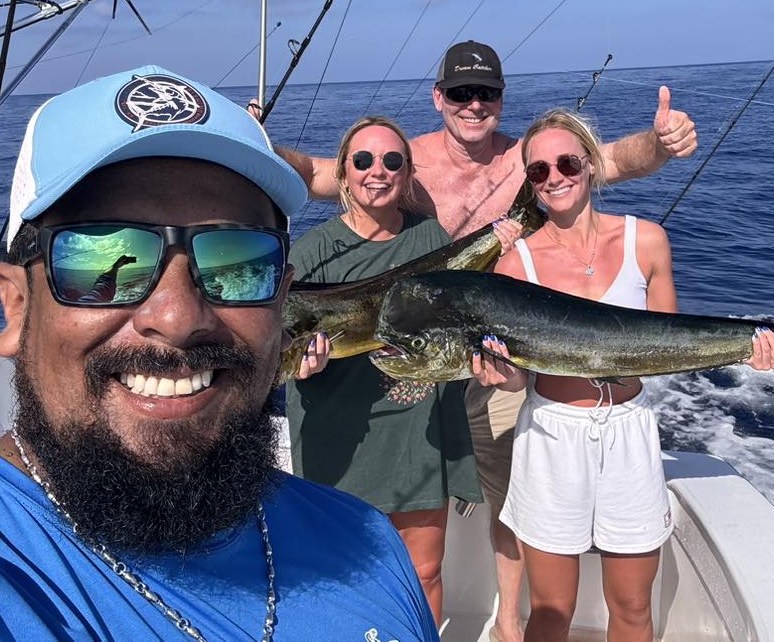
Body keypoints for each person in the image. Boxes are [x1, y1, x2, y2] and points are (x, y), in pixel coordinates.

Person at [0, 67, 437, 641]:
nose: (178, 316)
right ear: (14, 305)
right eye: (107, 258)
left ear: (282, 301)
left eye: (235, 261)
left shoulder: (370, 546)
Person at [273, 40, 698, 642]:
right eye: (460, 93)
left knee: (511, 503)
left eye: (487, 94)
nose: (474, 105)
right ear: (438, 98)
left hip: (496, 355)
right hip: (419, 358)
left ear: (501, 99)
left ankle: (508, 623)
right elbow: (317, 173)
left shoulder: (525, 161)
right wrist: (251, 143)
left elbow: (608, 160)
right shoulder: (406, 160)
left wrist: (659, 143)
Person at [471, 109, 774, 641]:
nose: (555, 178)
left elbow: (669, 345)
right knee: (549, 612)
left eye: (568, 162)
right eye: (538, 171)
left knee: (634, 608)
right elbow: (520, 378)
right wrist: (500, 377)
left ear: (592, 165)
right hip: (551, 435)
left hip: (628, 433)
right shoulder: (513, 265)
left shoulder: (648, 242)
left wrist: (748, 349)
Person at [286, 115, 517, 624]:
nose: (377, 171)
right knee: (343, 573)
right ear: (343, 174)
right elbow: (279, 348)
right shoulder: (312, 253)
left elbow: (458, 316)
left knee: (425, 572)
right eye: (363, 161)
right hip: (338, 435)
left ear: (407, 173)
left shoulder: (431, 239)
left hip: (418, 429)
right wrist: (301, 367)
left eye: (392, 161)